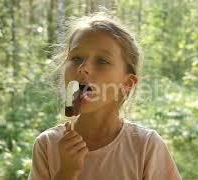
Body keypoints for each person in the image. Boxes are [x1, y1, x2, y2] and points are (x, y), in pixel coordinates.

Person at [28, 12, 181, 180]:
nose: (83, 68)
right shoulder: (48, 145)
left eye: (102, 61)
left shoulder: (146, 146)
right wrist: (66, 173)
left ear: (127, 83)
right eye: (76, 58)